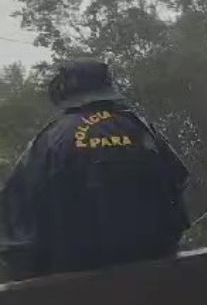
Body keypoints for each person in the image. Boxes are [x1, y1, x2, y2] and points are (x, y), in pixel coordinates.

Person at [0, 58, 190, 279]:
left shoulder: (50, 141)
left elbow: (17, 215)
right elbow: (178, 187)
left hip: (74, 288)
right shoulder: (143, 129)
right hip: (156, 279)